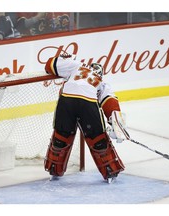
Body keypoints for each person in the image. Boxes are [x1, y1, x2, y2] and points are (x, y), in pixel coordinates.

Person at [43, 54, 126, 183]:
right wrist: (116, 123)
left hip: (66, 100)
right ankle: (110, 171)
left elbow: (50, 65)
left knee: (61, 136)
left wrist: (66, 57)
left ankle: (54, 170)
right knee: (98, 140)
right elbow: (109, 101)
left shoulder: (77, 65)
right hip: (88, 103)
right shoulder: (102, 82)